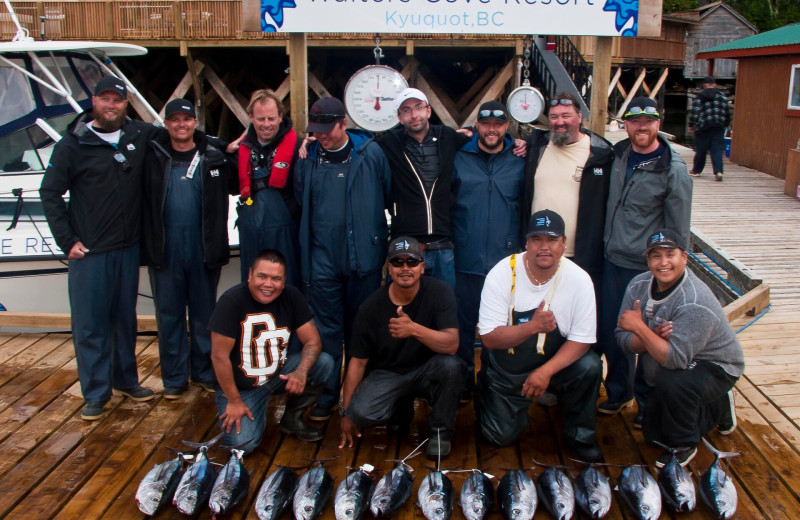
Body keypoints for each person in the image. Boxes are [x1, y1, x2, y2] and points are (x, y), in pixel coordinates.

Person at [40, 76, 159, 421]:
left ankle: (126, 380)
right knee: (90, 325)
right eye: (105, 99)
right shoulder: (72, 145)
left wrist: (229, 144)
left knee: (124, 320)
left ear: (125, 103)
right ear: (94, 101)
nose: (111, 105)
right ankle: (95, 392)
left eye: (117, 100)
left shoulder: (138, 134)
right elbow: (50, 194)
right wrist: (67, 241)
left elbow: (181, 135)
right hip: (89, 252)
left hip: (127, 249)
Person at [476, 210, 602, 462]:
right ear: (526, 243)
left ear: (564, 243)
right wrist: (531, 327)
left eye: (552, 240)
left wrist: (545, 372)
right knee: (498, 437)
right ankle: (493, 398)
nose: (544, 247)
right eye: (537, 239)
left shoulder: (579, 279)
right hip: (509, 369)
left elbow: (583, 339)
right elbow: (489, 338)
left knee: (590, 366)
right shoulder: (502, 273)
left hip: (554, 365)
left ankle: (580, 435)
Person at [294, 96, 392, 421]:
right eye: (316, 130)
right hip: (322, 261)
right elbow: (299, 198)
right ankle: (326, 394)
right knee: (327, 333)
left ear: (344, 124)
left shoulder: (371, 154)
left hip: (363, 259)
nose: (322, 135)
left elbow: (387, 193)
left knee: (360, 331)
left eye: (328, 129)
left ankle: (358, 392)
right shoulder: (307, 158)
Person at [598, 97, 693, 424]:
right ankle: (618, 392)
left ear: (658, 123)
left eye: (648, 120)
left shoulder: (673, 169)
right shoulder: (618, 153)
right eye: (634, 120)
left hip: (644, 268)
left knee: (651, 336)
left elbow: (679, 231)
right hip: (611, 260)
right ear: (625, 123)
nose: (641, 126)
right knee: (615, 331)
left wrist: (672, 272)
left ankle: (647, 402)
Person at [616, 229, 743, 468]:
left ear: (684, 257)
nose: (663, 263)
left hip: (717, 365)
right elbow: (622, 338)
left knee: (672, 384)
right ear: (648, 260)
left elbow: (675, 359)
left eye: (670, 255)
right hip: (676, 362)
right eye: (655, 256)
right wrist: (650, 335)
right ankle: (718, 406)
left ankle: (684, 444)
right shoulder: (638, 285)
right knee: (653, 436)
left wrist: (640, 329)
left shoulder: (694, 300)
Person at [142, 98, 237, 399]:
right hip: (165, 246)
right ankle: (173, 378)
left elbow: (240, 182)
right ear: (166, 124)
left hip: (203, 245)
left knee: (203, 315)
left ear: (195, 122)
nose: (181, 124)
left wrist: (227, 148)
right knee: (168, 315)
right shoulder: (153, 154)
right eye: (174, 120)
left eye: (187, 119)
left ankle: (205, 373)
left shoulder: (214, 155)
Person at [339, 237, 466, 460]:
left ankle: (440, 433)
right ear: (389, 268)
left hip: (428, 370)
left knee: (453, 367)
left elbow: (452, 344)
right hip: (388, 374)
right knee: (361, 412)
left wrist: (414, 329)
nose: (405, 268)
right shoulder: (370, 306)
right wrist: (346, 413)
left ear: (422, 267)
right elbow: (357, 363)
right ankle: (400, 408)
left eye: (412, 261)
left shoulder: (441, 292)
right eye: (398, 262)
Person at [207, 249, 334, 453]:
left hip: (277, 374)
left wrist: (301, 371)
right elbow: (218, 356)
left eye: (276, 279)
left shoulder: (292, 296)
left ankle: (292, 418)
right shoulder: (231, 301)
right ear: (250, 275)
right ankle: (241, 410)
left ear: (284, 281)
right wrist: (234, 400)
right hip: (241, 388)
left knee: (323, 363)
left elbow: (313, 341)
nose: (268, 284)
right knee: (243, 446)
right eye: (262, 276)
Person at [451, 101, 525, 397]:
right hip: (464, 257)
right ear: (477, 126)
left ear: (507, 126)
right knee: (463, 326)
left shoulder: (521, 157)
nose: (491, 130)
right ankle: (463, 384)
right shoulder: (457, 155)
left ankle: (497, 384)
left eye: (498, 125)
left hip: (505, 261)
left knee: (501, 328)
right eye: (485, 124)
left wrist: (528, 142)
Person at [376, 88, 468, 287]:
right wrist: (314, 142)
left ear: (428, 111)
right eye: (407, 110)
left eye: (418, 108)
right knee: (402, 310)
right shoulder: (389, 143)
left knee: (442, 310)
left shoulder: (447, 137)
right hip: (405, 249)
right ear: (400, 117)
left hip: (442, 246)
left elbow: (485, 141)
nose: (414, 115)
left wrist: (518, 142)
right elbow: (358, 145)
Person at [522, 92, 613, 291]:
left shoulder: (602, 154)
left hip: (579, 256)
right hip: (538, 253)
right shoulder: (535, 146)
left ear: (580, 117)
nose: (559, 122)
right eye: (554, 117)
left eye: (566, 115)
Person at [235, 89, 302, 287]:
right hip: (250, 228)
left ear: (281, 117)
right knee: (252, 282)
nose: (266, 124)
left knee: (287, 283)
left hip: (284, 229)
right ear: (251, 118)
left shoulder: (300, 148)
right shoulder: (239, 148)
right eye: (260, 118)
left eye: (271, 118)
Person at [688, 76, 731, 182]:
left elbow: (694, 111)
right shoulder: (722, 96)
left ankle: (696, 171)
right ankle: (718, 171)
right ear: (714, 84)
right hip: (718, 126)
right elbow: (727, 112)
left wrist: (691, 124)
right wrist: (726, 123)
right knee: (716, 149)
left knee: (701, 149)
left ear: (704, 84)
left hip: (704, 126)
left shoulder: (700, 96)